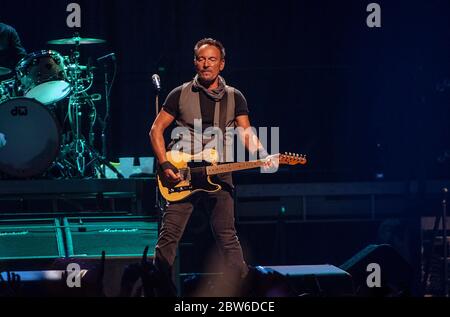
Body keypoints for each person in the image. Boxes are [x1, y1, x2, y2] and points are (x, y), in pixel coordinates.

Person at [149, 38, 275, 295]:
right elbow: (156, 130)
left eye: (212, 59)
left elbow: (246, 132)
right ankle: (157, 290)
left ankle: (245, 292)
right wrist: (164, 165)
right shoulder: (178, 93)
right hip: (181, 172)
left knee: (227, 235)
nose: (206, 64)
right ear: (195, 62)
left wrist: (264, 155)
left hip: (219, 171)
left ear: (222, 64)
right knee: (169, 234)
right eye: (201, 59)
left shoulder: (234, 97)